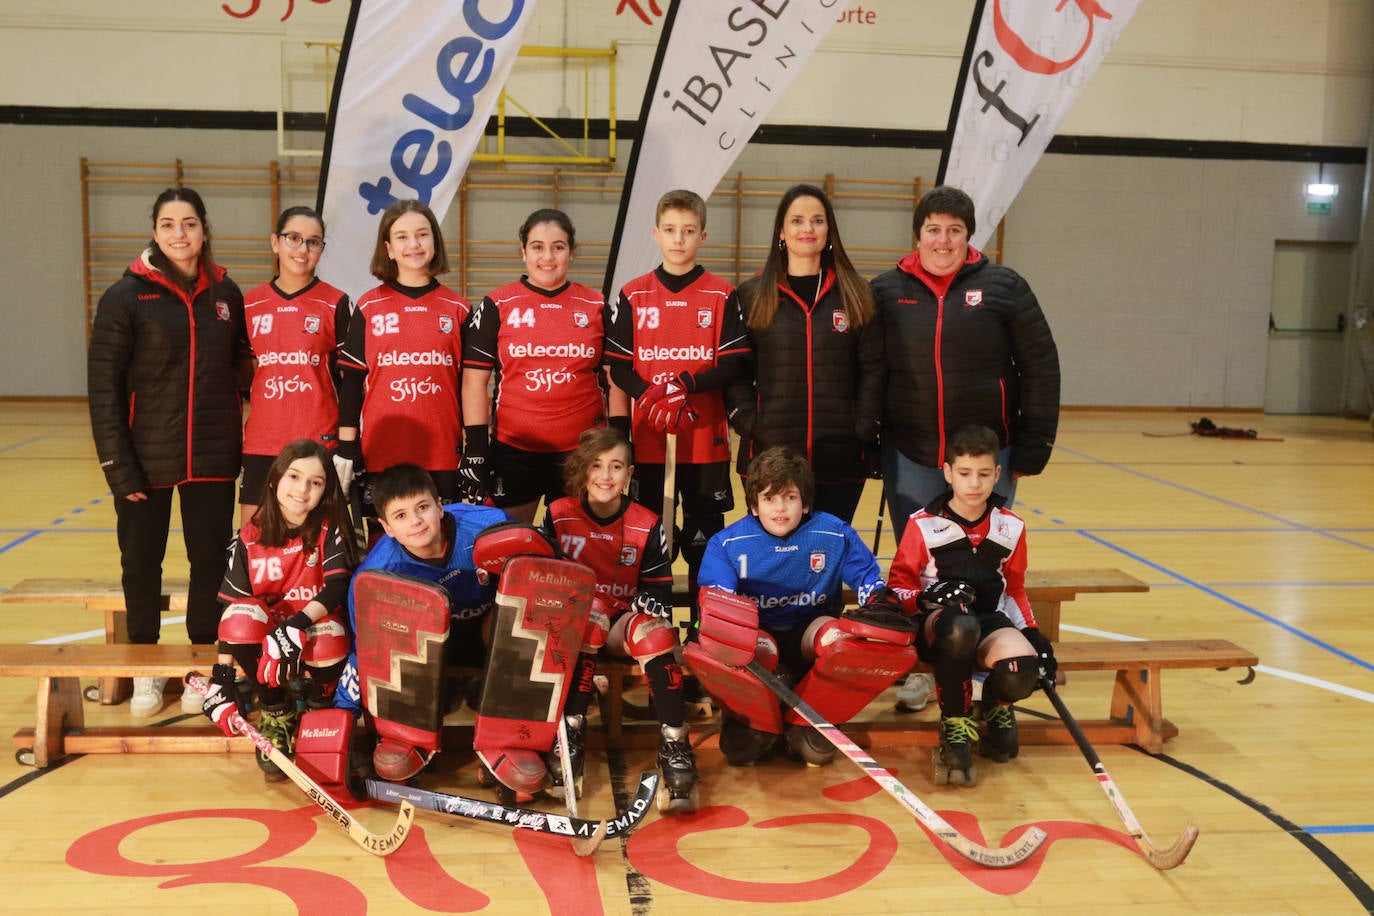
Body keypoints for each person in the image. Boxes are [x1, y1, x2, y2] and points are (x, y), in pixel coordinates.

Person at [87, 186, 247, 718]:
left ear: (204, 230)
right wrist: (116, 465)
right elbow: (103, 388)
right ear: (154, 232)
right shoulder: (125, 297)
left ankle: (201, 668)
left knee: (208, 563)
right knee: (141, 564)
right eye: (169, 224)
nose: (180, 234)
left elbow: (239, 366)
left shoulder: (227, 295)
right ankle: (146, 671)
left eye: (190, 224)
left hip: (213, 455)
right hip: (143, 458)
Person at [692, 448, 916, 768]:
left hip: (809, 632)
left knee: (838, 644)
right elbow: (718, 602)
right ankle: (762, 713)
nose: (780, 508)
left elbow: (868, 582)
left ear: (806, 502)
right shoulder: (727, 543)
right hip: (759, 640)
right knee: (741, 750)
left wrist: (879, 601)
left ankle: (808, 713)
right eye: (769, 499)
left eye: (790, 497)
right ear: (754, 505)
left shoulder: (834, 532)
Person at [871, 184, 1060, 541]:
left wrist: (1034, 447)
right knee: (918, 563)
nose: (943, 241)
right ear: (918, 236)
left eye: (954, 230)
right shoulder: (885, 292)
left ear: (968, 236)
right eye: (933, 230)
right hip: (911, 454)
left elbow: (1041, 368)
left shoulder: (1006, 288)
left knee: (985, 561)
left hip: (988, 454)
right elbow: (870, 372)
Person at [886, 424, 1057, 787]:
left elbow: (1015, 589)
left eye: (983, 474)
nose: (974, 484)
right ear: (948, 473)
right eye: (964, 473)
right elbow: (898, 587)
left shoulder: (1010, 526)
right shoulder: (923, 524)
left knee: (1022, 667)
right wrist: (927, 598)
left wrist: (1033, 634)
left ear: (997, 474)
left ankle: (995, 707)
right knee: (961, 625)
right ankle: (955, 723)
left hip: (988, 621)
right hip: (940, 625)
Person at [540, 426, 697, 813]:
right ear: (582, 470)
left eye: (616, 467)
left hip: (623, 621)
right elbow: (540, 575)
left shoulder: (647, 522)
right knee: (589, 619)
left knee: (658, 635)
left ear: (629, 475)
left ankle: (675, 742)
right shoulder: (558, 515)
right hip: (579, 622)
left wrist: (651, 600)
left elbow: (659, 588)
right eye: (596, 466)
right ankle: (571, 734)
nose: (606, 476)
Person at [604, 189, 750, 594]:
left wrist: (686, 384)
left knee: (705, 543)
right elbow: (618, 365)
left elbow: (733, 364)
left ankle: (707, 625)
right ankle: (653, 623)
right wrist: (650, 394)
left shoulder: (721, 294)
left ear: (703, 235)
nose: (678, 239)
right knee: (651, 541)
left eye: (688, 230)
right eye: (670, 230)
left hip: (705, 443)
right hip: (649, 441)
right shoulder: (634, 294)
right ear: (655, 233)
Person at [334, 464, 510, 782]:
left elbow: (538, 574)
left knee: (519, 608)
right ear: (386, 527)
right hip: (424, 651)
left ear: (440, 506)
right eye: (400, 516)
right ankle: (408, 737)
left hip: (487, 635)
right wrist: (342, 725)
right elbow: (365, 652)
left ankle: (514, 737)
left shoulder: (490, 525)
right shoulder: (375, 575)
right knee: (392, 631)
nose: (415, 521)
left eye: (422, 508)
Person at [200, 439, 358, 781]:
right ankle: (276, 710)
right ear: (274, 480)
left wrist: (297, 625)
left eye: (315, 483)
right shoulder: (249, 537)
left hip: (315, 633)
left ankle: (320, 709)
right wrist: (222, 680)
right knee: (239, 621)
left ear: (325, 490)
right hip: (269, 642)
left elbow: (337, 588)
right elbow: (229, 613)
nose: (302, 490)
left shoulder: (329, 528)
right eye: (294, 477)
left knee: (330, 636)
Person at [726, 184, 883, 526]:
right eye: (796, 220)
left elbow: (874, 368)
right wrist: (748, 420)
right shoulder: (752, 294)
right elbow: (736, 369)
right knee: (772, 566)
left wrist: (864, 425)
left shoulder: (857, 293)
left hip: (840, 457)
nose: (807, 229)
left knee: (825, 563)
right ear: (781, 232)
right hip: (768, 455)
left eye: (817, 220)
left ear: (829, 231)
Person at [460, 208, 616, 523]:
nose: (548, 256)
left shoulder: (596, 305)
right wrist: (476, 447)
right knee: (509, 545)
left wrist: (621, 439)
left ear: (572, 252)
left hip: (582, 451)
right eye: (537, 247)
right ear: (523, 251)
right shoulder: (497, 305)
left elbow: (615, 381)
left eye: (558, 246)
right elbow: (474, 382)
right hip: (514, 450)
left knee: (576, 550)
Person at [335, 199, 468, 518]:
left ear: (435, 241)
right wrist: (346, 448)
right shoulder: (368, 307)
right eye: (402, 237)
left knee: (440, 546)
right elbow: (352, 384)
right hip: (382, 453)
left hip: (443, 455)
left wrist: (475, 448)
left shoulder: (459, 309)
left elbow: (469, 387)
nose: (413, 244)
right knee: (385, 553)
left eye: (422, 235)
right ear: (389, 248)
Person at [239, 206, 350, 526]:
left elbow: (351, 382)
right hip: (263, 442)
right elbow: (241, 375)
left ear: (322, 250)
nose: (303, 249)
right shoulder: (250, 304)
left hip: (319, 442)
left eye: (313, 242)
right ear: (275, 242)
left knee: (317, 544)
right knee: (255, 542)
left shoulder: (336, 303)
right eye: (293, 238)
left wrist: (346, 444)